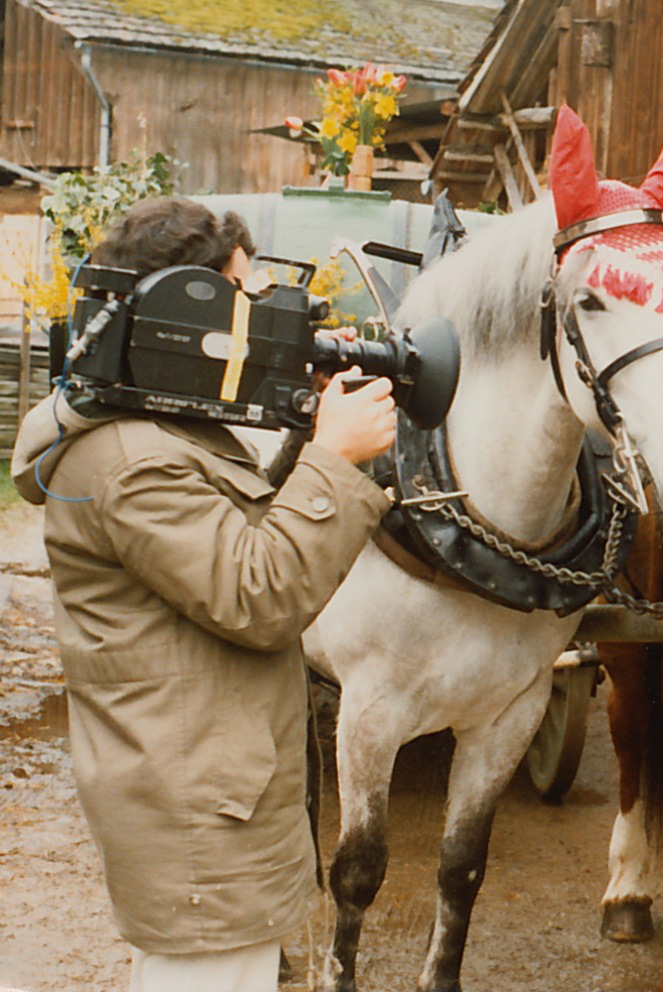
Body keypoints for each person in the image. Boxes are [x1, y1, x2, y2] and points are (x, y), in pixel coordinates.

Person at [11, 197, 396, 992]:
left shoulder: (155, 427)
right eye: (242, 294)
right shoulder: (131, 463)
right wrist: (334, 457)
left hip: (203, 791)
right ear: (180, 314)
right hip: (193, 811)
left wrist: (306, 425)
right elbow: (259, 596)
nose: (259, 315)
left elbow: (243, 535)